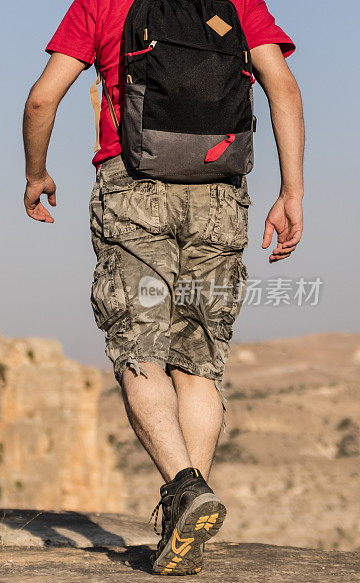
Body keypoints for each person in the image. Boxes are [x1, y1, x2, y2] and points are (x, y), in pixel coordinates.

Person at [21, 0, 303, 575]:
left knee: (138, 351)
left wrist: (36, 173)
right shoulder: (235, 2)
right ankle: (188, 518)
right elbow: (284, 88)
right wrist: (291, 191)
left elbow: (43, 97)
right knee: (198, 363)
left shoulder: (99, 4)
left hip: (133, 186)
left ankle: (184, 488)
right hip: (221, 191)